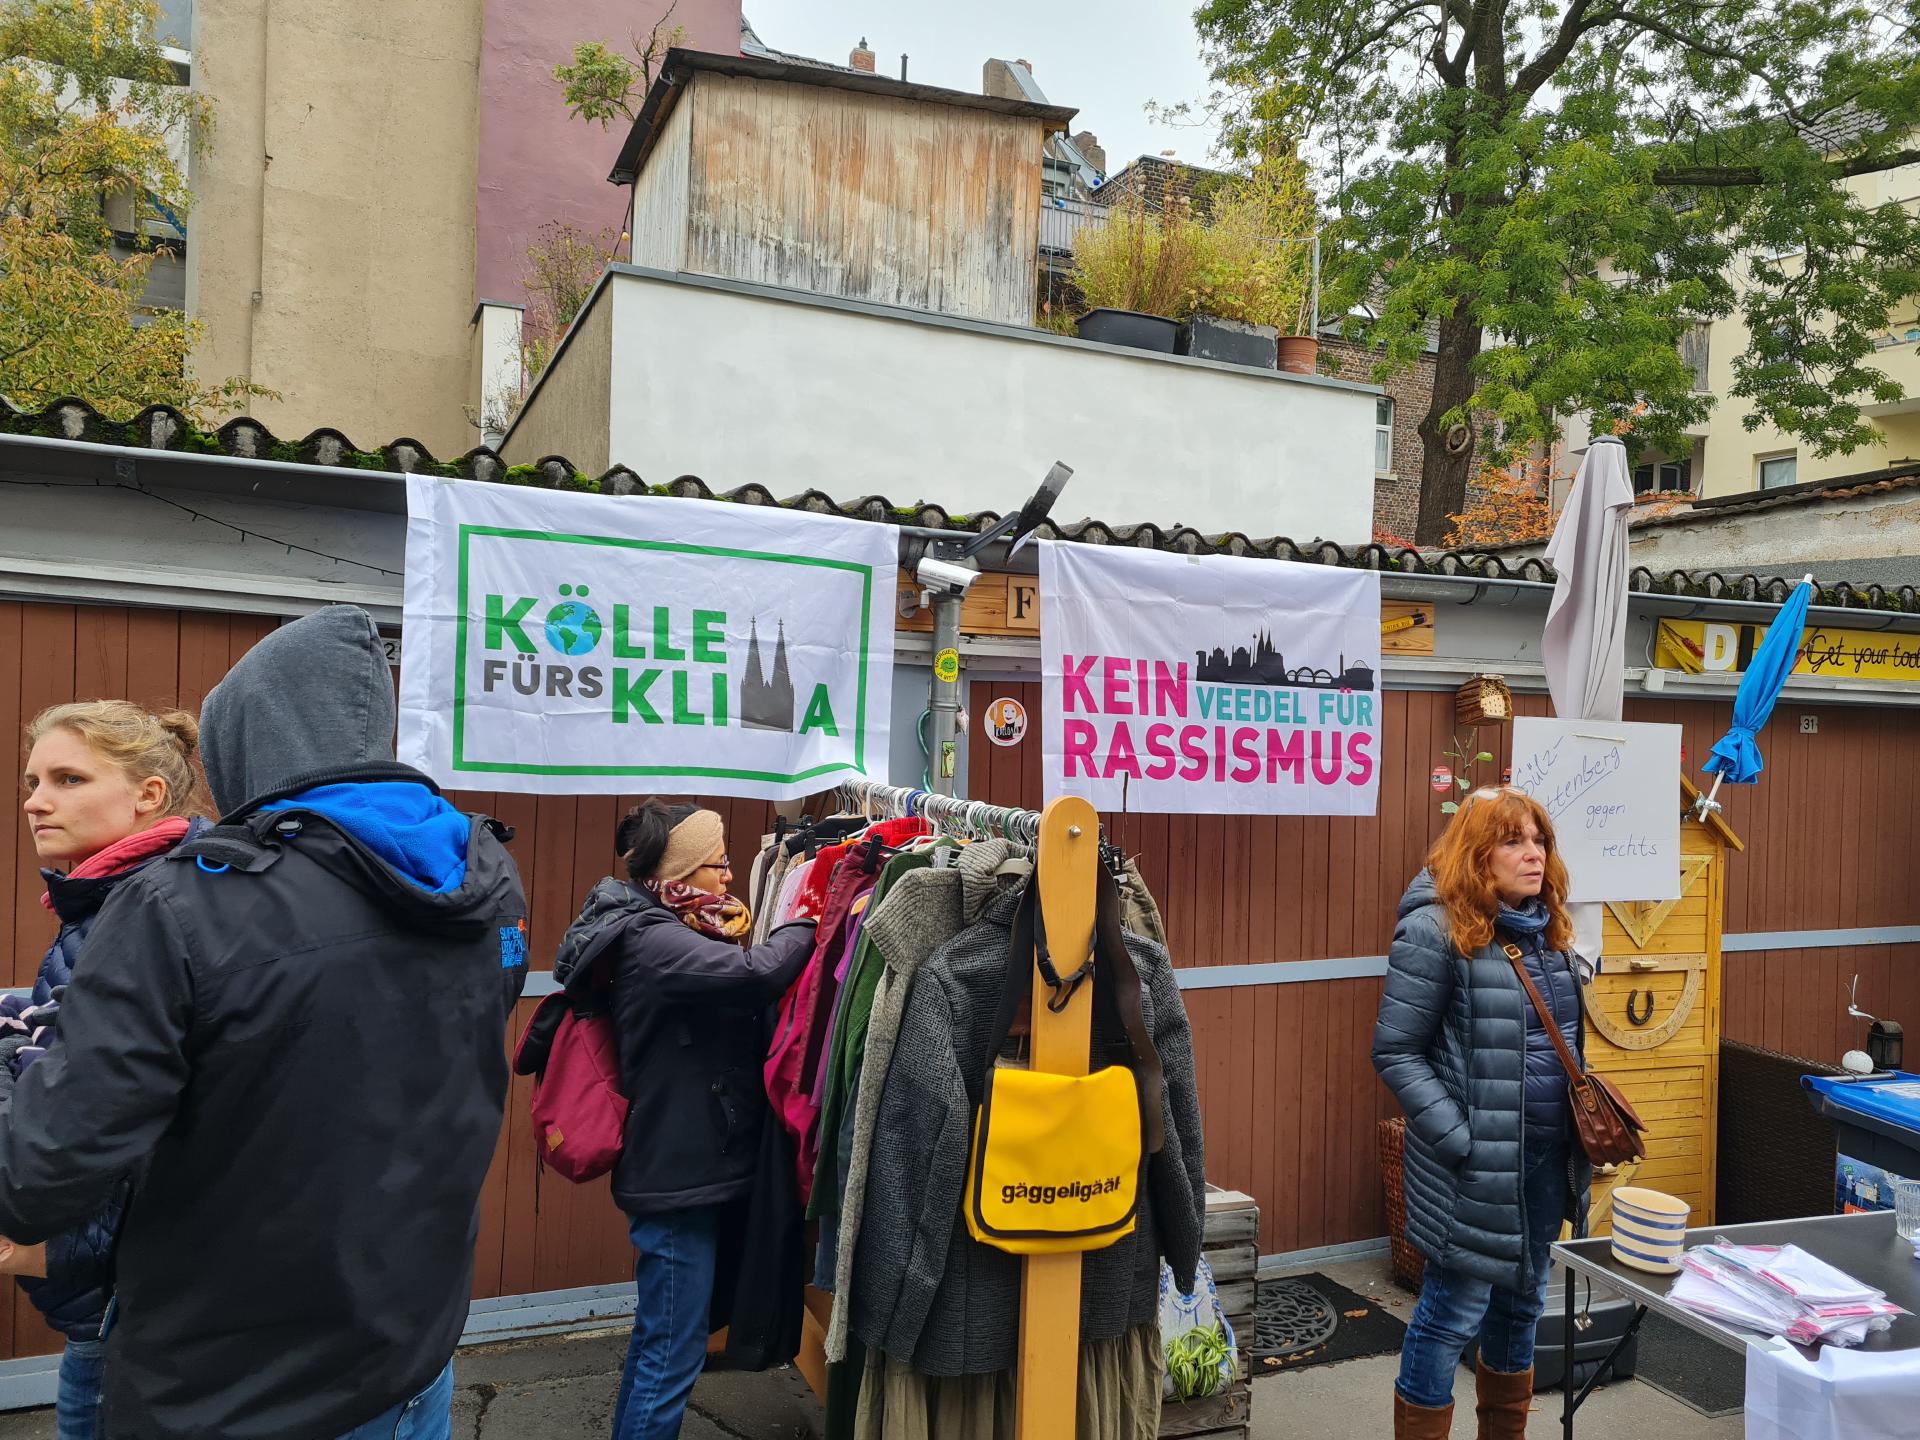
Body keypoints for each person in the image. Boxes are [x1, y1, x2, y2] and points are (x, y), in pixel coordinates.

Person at [0, 605, 529, 1440]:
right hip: (409, 1351)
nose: (37, 803)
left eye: (66, 779)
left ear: (243, 741)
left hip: (235, 1388)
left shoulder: (183, 902)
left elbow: (36, 1174)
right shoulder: (483, 880)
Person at [552, 800, 815, 1440]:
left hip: (688, 1164)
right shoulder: (654, 940)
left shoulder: (673, 925)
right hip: (674, 1178)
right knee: (671, 1348)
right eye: (717, 864)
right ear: (678, 871)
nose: (728, 876)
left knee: (667, 1341)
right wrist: (812, 920)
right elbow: (758, 972)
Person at [10, 701, 210, 1440]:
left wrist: (59, 1251)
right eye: (33, 781)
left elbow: (113, 1116)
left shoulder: (144, 906)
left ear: (148, 795)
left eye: (68, 779)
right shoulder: (112, 898)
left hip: (126, 1303)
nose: (36, 801)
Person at [1372, 785, 1591, 1440]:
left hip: (1545, 1163)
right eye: (1513, 841)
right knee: (1452, 1315)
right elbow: (1396, 1052)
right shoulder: (1433, 931)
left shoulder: (1547, 932)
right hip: (1475, 1169)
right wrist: (1461, 1139)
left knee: (1522, 1309)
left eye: (1539, 840)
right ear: (1476, 854)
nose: (1534, 854)